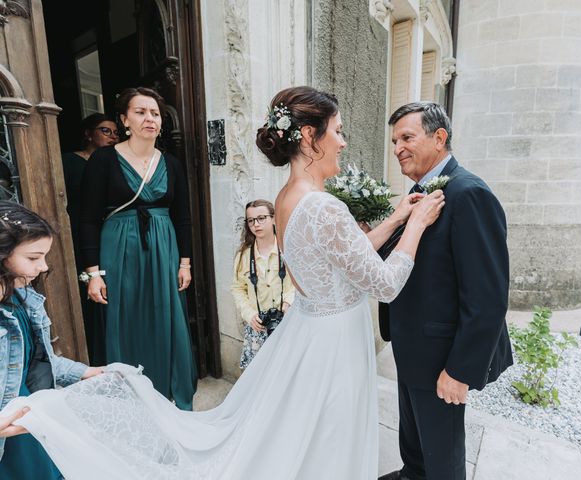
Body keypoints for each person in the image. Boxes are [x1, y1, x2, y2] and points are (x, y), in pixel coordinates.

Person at [0, 86, 444, 479]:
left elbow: (349, 253)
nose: (343, 141)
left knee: (304, 429)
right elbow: (384, 283)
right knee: (329, 431)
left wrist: (398, 216)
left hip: (312, 327)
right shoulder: (325, 206)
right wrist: (418, 225)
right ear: (310, 137)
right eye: (338, 130)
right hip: (332, 337)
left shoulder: (288, 199)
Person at [377, 102, 513, 480]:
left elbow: (487, 297)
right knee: (415, 441)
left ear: (440, 138)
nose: (398, 147)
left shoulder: (469, 194)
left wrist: (459, 370)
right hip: (411, 346)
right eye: (394, 141)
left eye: (407, 137)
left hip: (443, 358)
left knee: (443, 456)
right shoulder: (417, 194)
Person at [78, 87, 197, 410]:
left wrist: (184, 263)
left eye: (155, 113)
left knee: (166, 314)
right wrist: (93, 274)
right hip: (118, 248)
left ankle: (169, 394)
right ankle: (131, 400)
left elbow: (183, 217)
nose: (149, 119)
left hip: (163, 246)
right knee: (125, 316)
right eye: (141, 112)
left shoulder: (171, 163)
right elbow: (86, 218)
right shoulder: (104, 159)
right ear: (124, 119)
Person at [0, 200, 103, 479]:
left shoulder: (24, 300)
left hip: (30, 417)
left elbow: (38, 361)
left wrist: (86, 372)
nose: (44, 267)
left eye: (45, 257)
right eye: (34, 258)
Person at [62, 113, 119, 365]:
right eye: (105, 130)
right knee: (87, 287)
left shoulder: (115, 164)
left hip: (111, 235)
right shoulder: (69, 162)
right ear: (88, 133)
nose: (112, 136)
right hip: (77, 233)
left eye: (115, 132)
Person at [231, 199, 295, 369]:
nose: (256, 224)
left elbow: (301, 280)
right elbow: (238, 289)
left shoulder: (288, 248)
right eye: (251, 220)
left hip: (289, 322)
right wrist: (249, 314)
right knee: (259, 377)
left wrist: (289, 302)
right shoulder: (243, 255)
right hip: (258, 327)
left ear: (274, 219)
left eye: (261, 218)